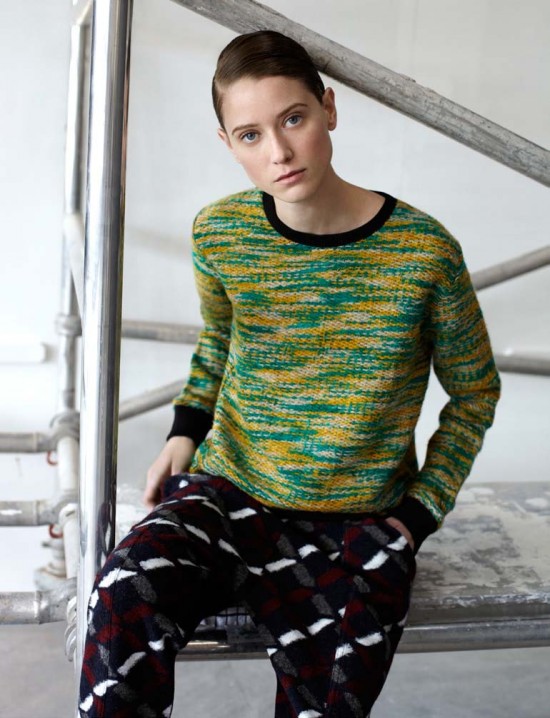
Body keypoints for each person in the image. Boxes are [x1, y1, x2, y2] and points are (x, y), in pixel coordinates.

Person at [79, 30, 501, 718]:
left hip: (358, 521)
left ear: (329, 108)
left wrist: (419, 513)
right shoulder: (221, 233)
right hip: (229, 490)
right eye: (250, 135)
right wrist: (184, 432)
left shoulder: (423, 253)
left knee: (324, 703)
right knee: (122, 597)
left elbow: (475, 390)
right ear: (228, 144)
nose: (277, 151)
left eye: (293, 119)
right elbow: (219, 340)